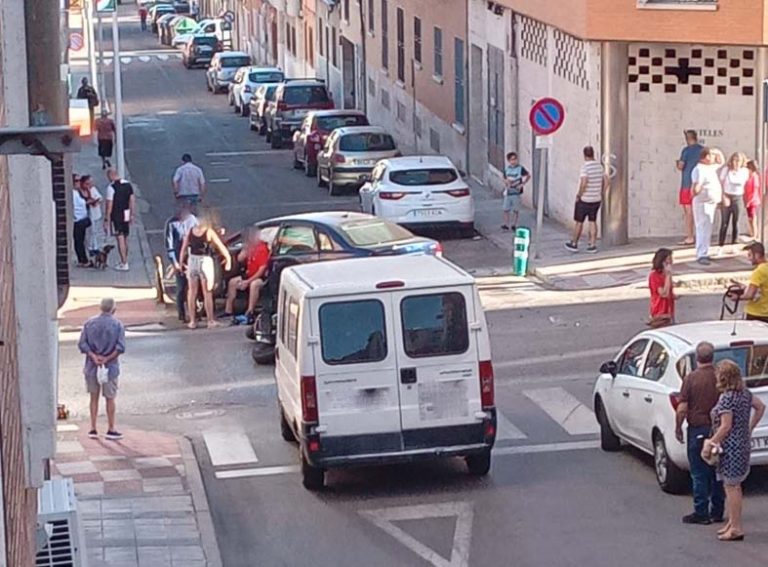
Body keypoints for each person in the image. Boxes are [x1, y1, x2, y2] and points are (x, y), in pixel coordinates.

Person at [706, 359, 765, 541]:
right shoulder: (745, 393)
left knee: (732, 487)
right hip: (742, 444)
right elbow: (760, 407)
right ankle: (732, 522)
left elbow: (726, 426)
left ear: (723, 377)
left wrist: (711, 442)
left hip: (731, 448)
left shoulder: (727, 398)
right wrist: (749, 428)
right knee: (732, 485)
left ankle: (736, 527)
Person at [674, 341, 724, 526]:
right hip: (719, 430)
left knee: (699, 473)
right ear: (712, 357)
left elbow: (682, 408)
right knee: (717, 472)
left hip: (698, 430)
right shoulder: (720, 377)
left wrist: (678, 427)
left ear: (697, 357)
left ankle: (701, 512)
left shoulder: (691, 379)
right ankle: (717, 511)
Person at [77, 298, 126, 441]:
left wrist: (93, 356)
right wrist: (107, 358)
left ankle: (93, 428)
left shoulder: (89, 323)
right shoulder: (117, 325)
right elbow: (120, 347)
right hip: (110, 367)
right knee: (110, 398)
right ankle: (111, 428)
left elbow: (82, 344)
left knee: (93, 397)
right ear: (113, 309)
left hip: (91, 366)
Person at [179, 213, 232, 329]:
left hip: (192, 261)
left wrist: (181, 262)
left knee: (192, 292)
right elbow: (220, 246)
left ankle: (192, 321)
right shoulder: (208, 232)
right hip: (205, 261)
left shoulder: (190, 231)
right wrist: (228, 259)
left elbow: (184, 248)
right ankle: (210, 320)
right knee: (207, 292)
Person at [564, 146, 606, 254]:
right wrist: (601, 192)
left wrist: (579, 194)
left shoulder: (585, 167)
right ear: (593, 154)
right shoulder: (599, 166)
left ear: (584, 155)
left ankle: (574, 243)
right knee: (593, 221)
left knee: (579, 222)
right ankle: (592, 245)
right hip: (596, 199)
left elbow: (584, 182)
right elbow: (607, 180)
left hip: (585, 199)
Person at [224, 227, 270, 322]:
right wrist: (245, 251)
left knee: (254, 285)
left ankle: (250, 311)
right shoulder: (250, 248)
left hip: (260, 277)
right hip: (248, 274)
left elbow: (261, 270)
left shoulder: (262, 248)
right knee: (232, 282)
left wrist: (248, 282)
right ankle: (228, 311)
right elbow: (239, 259)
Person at [164, 203, 199, 321]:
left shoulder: (193, 220)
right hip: (179, 256)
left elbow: (199, 234)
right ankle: (181, 313)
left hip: (191, 257)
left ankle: (195, 312)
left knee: (193, 286)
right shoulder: (171, 223)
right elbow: (169, 246)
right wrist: (175, 262)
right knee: (181, 287)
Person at [690, 147, 722, 265]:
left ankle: (705, 251)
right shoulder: (699, 169)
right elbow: (696, 186)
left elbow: (721, 161)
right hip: (702, 203)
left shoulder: (710, 168)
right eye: (712, 155)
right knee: (702, 228)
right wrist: (696, 194)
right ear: (706, 157)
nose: (714, 157)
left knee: (707, 228)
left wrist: (716, 151)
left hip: (710, 203)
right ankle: (701, 254)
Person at [104, 169, 135, 271]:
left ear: (111, 176)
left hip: (116, 215)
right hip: (126, 213)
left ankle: (124, 262)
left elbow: (109, 205)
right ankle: (125, 259)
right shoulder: (128, 185)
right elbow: (132, 200)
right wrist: (132, 214)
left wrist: (107, 219)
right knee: (125, 237)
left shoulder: (111, 187)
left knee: (120, 238)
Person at [677, 130, 704, 245]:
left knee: (688, 211)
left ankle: (690, 236)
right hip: (700, 184)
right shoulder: (702, 150)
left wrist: (678, 164)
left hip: (687, 183)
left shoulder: (686, 150)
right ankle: (700, 235)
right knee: (700, 211)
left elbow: (681, 166)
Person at [718, 152, 748, 253]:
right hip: (727, 195)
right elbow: (721, 183)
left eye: (738, 161)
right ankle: (720, 245)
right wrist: (723, 196)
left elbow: (740, 182)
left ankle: (734, 244)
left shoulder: (744, 171)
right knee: (724, 222)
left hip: (738, 197)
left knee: (736, 222)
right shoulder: (726, 170)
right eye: (734, 160)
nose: (736, 163)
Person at [731, 241, 768, 323]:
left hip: (756, 313)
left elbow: (749, 295)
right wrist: (744, 287)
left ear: (757, 255)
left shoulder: (758, 272)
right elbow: (762, 289)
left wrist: (737, 297)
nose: (749, 258)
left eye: (750, 255)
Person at [500, 152, 530, 231]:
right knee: (506, 209)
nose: (513, 161)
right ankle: (506, 224)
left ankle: (514, 224)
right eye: (511, 159)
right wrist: (506, 181)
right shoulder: (507, 169)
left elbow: (528, 175)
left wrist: (522, 184)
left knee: (515, 209)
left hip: (516, 192)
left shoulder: (520, 168)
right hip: (508, 191)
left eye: (515, 159)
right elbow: (503, 177)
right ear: (509, 161)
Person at [648, 248, 675, 327]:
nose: (671, 262)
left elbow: (668, 292)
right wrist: (668, 275)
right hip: (660, 311)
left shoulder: (665, 275)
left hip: (669, 311)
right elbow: (664, 294)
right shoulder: (654, 276)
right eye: (669, 259)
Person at [80, 175, 104, 258]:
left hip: (96, 213)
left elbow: (100, 198)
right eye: (87, 183)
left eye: (90, 183)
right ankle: (91, 248)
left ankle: (95, 246)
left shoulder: (93, 189)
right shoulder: (82, 192)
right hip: (89, 214)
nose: (89, 185)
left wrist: (97, 201)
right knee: (91, 232)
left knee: (95, 231)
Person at [73, 175, 92, 267]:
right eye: (76, 181)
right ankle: (83, 260)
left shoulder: (78, 192)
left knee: (82, 240)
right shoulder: (73, 193)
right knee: (79, 241)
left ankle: (83, 259)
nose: (79, 182)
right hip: (78, 220)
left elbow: (87, 197)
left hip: (83, 218)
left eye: (80, 180)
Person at [743, 160, 761, 241]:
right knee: (750, 217)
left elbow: (754, 191)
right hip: (748, 199)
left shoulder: (754, 177)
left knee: (753, 217)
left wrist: (749, 201)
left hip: (753, 201)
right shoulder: (748, 177)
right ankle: (752, 233)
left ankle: (755, 234)